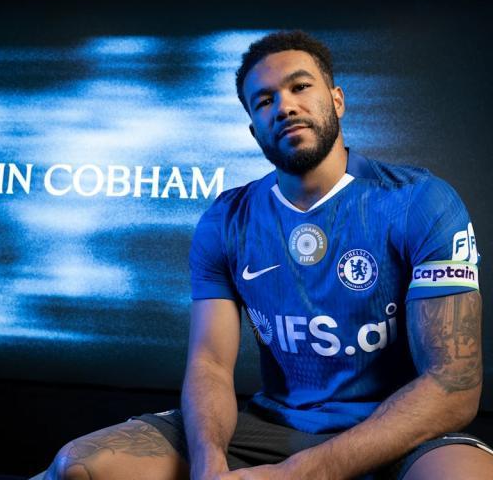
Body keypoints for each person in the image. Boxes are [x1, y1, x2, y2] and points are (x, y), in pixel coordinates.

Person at [39, 30, 493, 480]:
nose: (285, 106)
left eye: (300, 87)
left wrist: (297, 474)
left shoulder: (419, 200)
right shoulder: (227, 219)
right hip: (273, 429)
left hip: (394, 433)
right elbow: (211, 365)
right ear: (254, 129)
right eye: (264, 101)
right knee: (79, 467)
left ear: (337, 100)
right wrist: (208, 467)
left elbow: (453, 385)